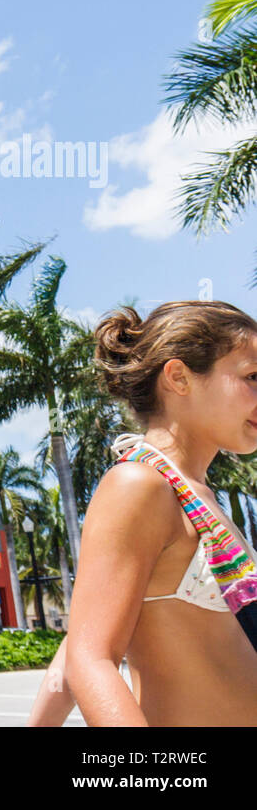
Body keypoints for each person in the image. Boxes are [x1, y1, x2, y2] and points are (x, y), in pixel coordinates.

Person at [60, 301, 257, 726]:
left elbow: (73, 648)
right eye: (252, 377)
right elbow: (88, 659)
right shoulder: (139, 485)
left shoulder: (199, 497)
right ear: (179, 377)